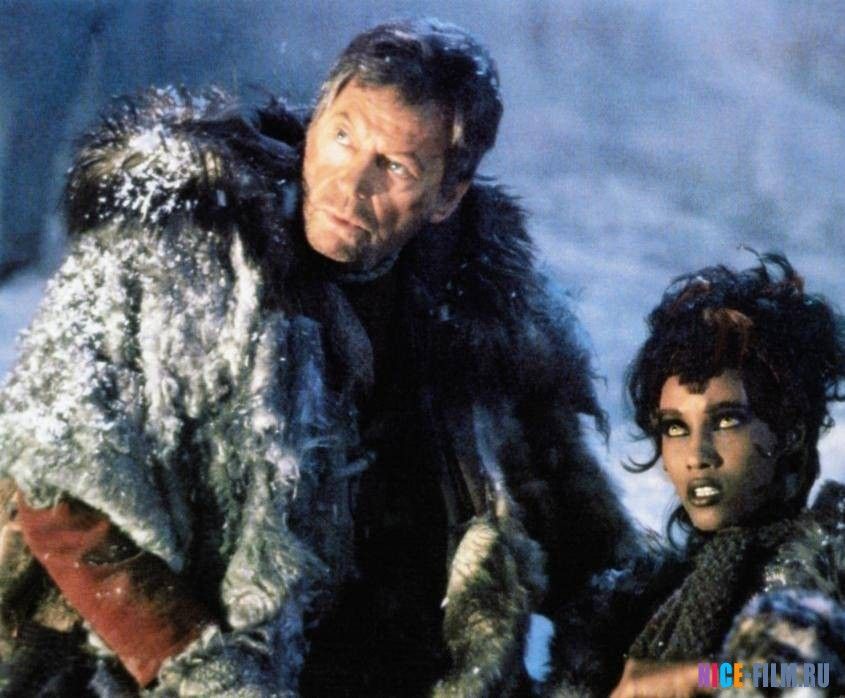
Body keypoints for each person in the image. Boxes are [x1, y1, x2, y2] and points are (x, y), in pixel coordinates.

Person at [0, 18, 634, 696]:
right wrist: (198, 668)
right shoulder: (174, 249)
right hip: (162, 664)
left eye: (395, 167)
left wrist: (633, 631)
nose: (351, 185)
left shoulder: (480, 308)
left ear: (448, 196)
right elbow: (53, 489)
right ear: (316, 121)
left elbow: (561, 498)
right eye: (342, 137)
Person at [550, 253, 845, 697]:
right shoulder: (636, 606)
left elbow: (819, 676)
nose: (696, 455)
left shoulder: (828, 572)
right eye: (675, 428)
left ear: (790, 432)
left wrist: (694, 678)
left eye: (726, 420)